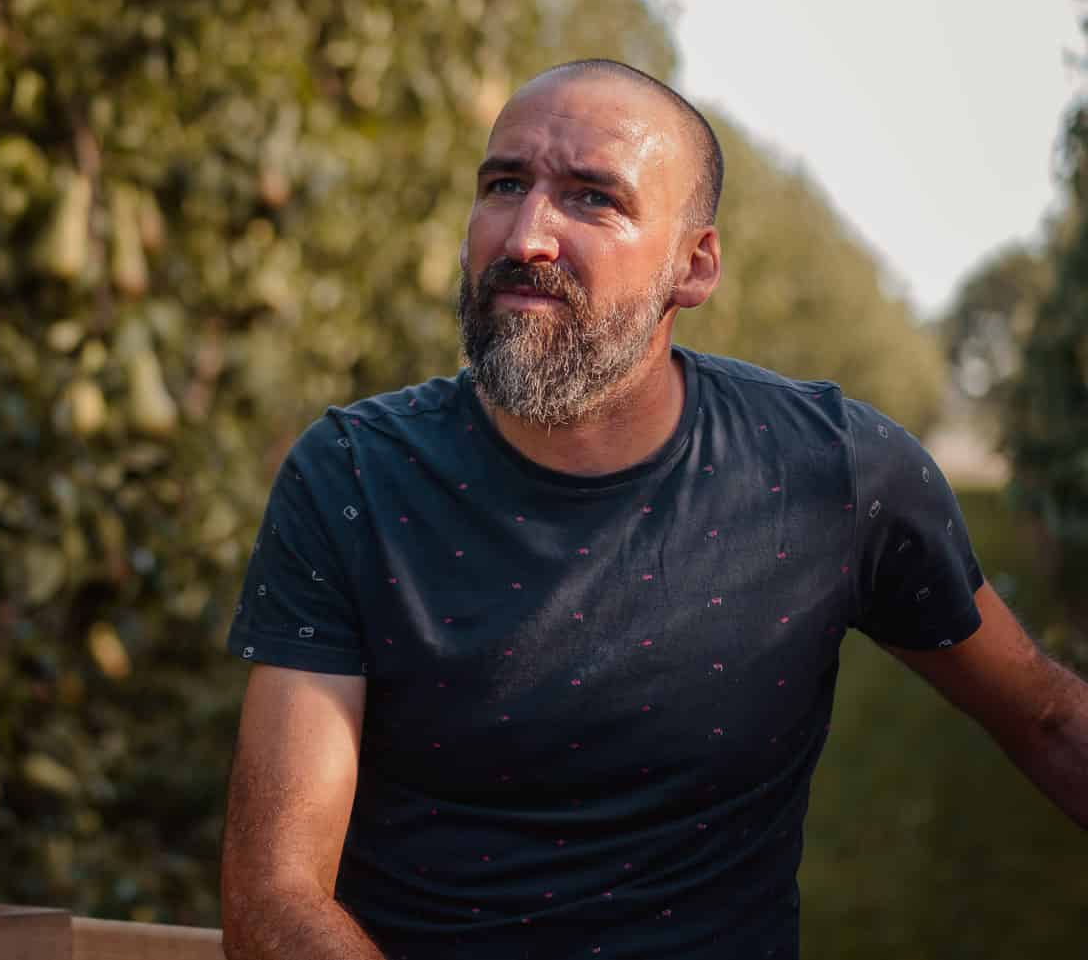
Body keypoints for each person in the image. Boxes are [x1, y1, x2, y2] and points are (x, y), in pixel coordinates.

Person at [218, 59, 1088, 960]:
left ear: (695, 265)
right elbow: (274, 895)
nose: (526, 236)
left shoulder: (832, 471)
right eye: (504, 184)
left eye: (592, 198)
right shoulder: (357, 478)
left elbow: (1047, 718)